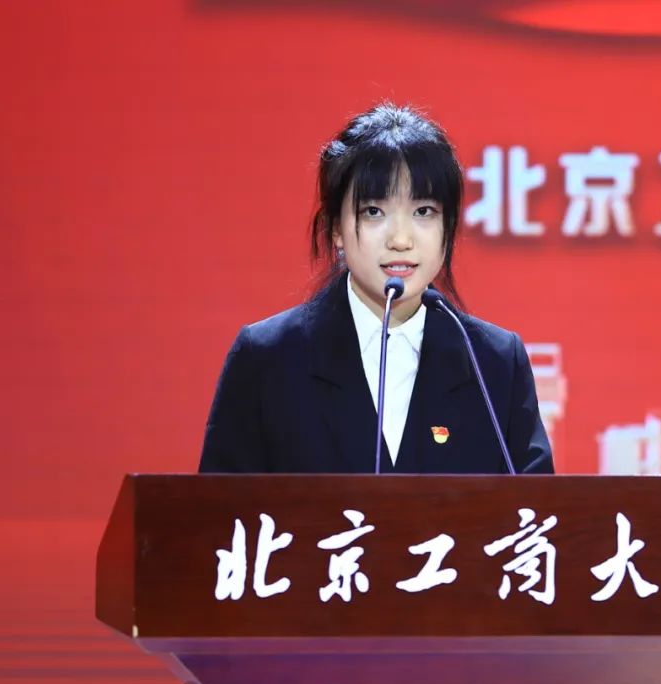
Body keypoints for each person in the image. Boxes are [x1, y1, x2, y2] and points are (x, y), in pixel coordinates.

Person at [198, 103, 553, 475]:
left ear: (448, 228)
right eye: (374, 212)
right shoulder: (268, 359)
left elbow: (535, 508)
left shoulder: (494, 363)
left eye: (423, 212)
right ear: (336, 228)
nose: (400, 239)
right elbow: (219, 508)